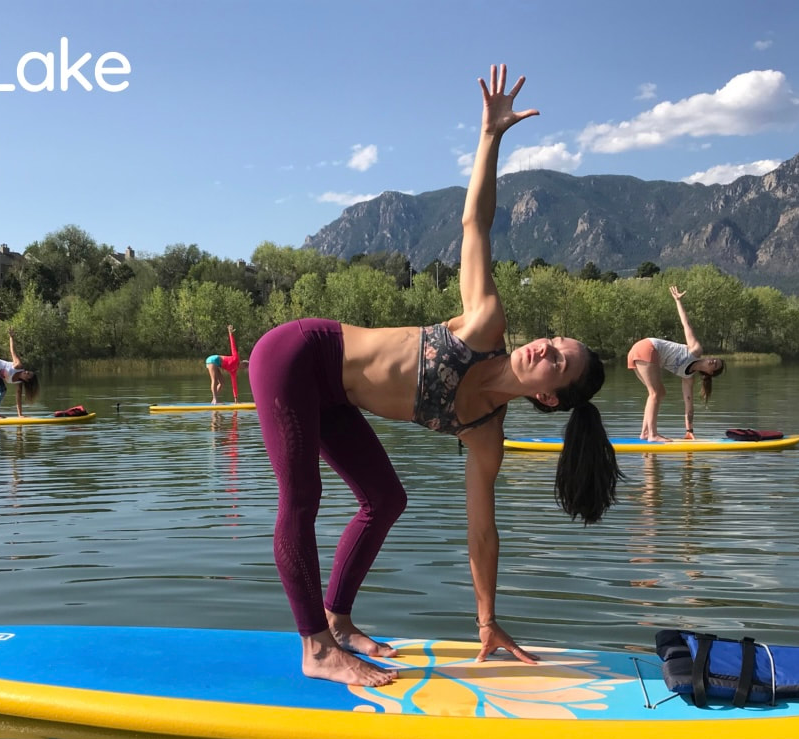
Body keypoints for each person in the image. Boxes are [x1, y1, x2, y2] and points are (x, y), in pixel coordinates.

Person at [248, 65, 622, 687]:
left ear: (551, 396)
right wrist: (490, 137)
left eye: (557, 358)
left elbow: (482, 532)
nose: (542, 348)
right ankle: (315, 647)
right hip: (297, 354)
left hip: (338, 397)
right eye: (553, 340)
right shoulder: (484, 324)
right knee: (303, 498)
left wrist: (487, 621)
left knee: (387, 499)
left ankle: (337, 621)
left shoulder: (485, 434)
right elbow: (476, 225)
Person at [626, 287, 726, 442]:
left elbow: (689, 406)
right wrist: (678, 301)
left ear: (710, 373)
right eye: (714, 359)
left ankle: (645, 433)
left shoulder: (688, 378)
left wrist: (689, 430)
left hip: (639, 353)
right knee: (655, 393)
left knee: (658, 392)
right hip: (647, 348)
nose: (712, 361)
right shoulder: (696, 350)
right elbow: (686, 324)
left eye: (715, 365)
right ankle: (652, 435)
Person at [0, 329, 40, 418]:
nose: (26, 372)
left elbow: (18, 398)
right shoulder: (18, 366)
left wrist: (20, 415)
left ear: (27, 380)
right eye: (28, 371)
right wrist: (11, 337)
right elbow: (12, 351)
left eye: (28, 374)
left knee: (3, 390)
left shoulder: (19, 383)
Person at [205, 324, 249, 404]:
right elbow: (233, 346)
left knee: (222, 382)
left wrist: (236, 400)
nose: (242, 367)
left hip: (217, 364)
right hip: (212, 359)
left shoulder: (234, 371)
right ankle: (215, 399)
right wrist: (230, 334)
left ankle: (213, 400)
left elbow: (234, 385)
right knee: (214, 379)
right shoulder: (236, 358)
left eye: (244, 367)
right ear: (242, 362)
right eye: (244, 365)